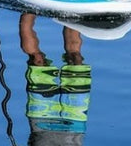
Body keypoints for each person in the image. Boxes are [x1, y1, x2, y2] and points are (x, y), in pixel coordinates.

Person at [19, 13, 92, 146]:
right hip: (75, 123)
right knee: (76, 59)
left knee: (37, 60)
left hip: (41, 122)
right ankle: (73, 9)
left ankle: (28, 7)